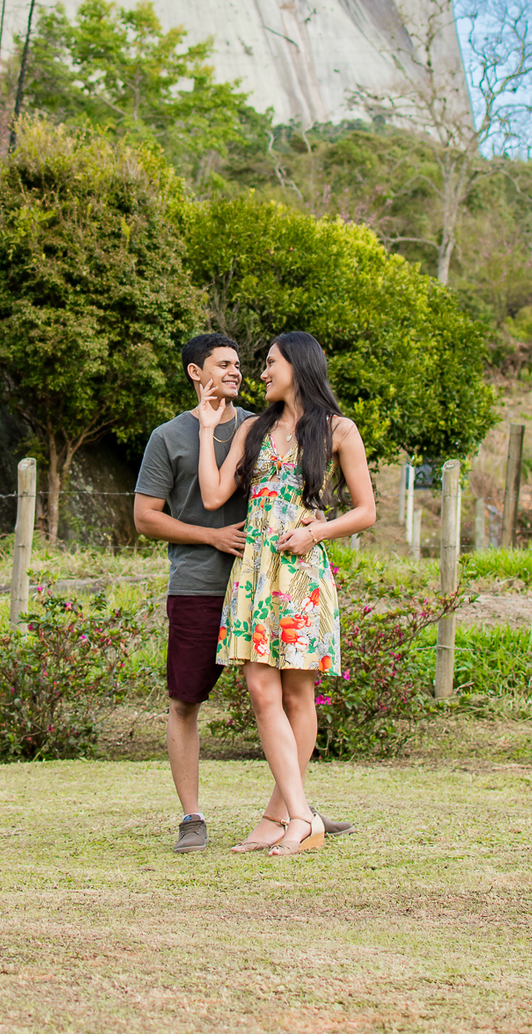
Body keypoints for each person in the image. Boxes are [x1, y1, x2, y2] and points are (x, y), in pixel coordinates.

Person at [198, 329, 377, 858]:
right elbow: (213, 496)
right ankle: (302, 817)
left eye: (271, 363)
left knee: (298, 695)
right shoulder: (252, 428)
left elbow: (366, 511)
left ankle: (281, 818)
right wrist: (208, 429)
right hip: (255, 571)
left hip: (301, 571)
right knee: (261, 690)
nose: (262, 373)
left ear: (298, 365)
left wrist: (315, 533)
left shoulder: (339, 430)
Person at [134, 335, 249, 853]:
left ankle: (295, 809)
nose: (235, 371)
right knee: (185, 701)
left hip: (258, 584)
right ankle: (191, 818)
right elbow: (145, 518)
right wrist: (211, 537)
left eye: (238, 364)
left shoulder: (259, 428)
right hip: (197, 587)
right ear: (194, 372)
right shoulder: (168, 437)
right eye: (223, 364)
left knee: (281, 697)